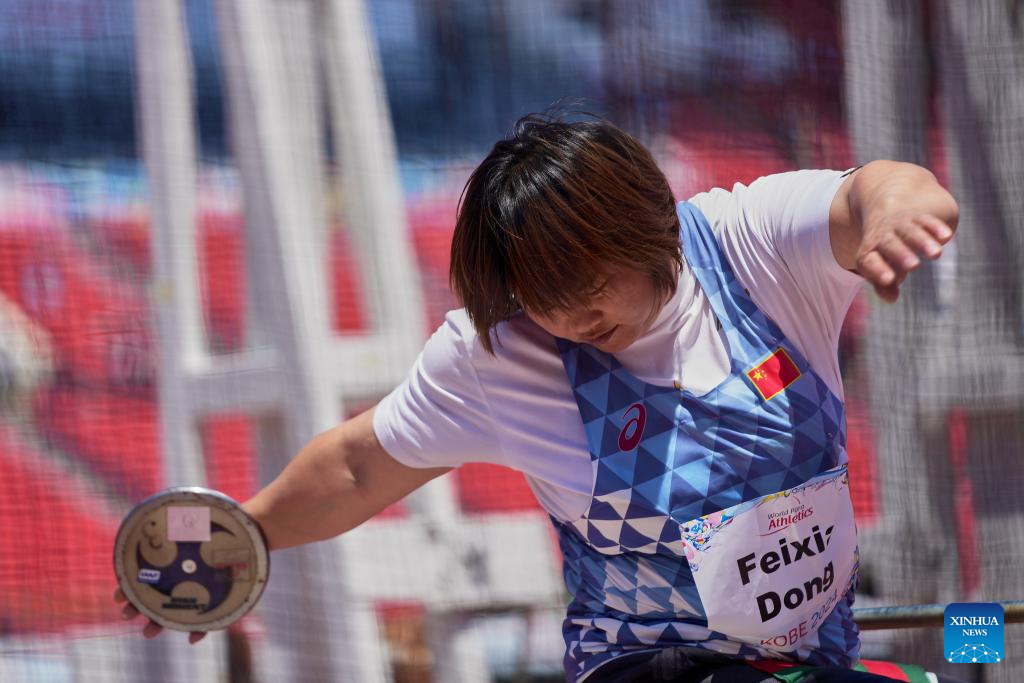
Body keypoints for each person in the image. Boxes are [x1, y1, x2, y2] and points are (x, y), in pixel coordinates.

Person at [117, 114, 962, 682]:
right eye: (541, 295)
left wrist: (893, 216)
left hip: (813, 658)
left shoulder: (751, 243)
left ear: (646, 224)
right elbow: (356, 465)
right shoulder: (495, 355)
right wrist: (241, 536)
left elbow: (884, 186)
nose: (569, 315)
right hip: (646, 668)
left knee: (953, 661)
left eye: (587, 282)